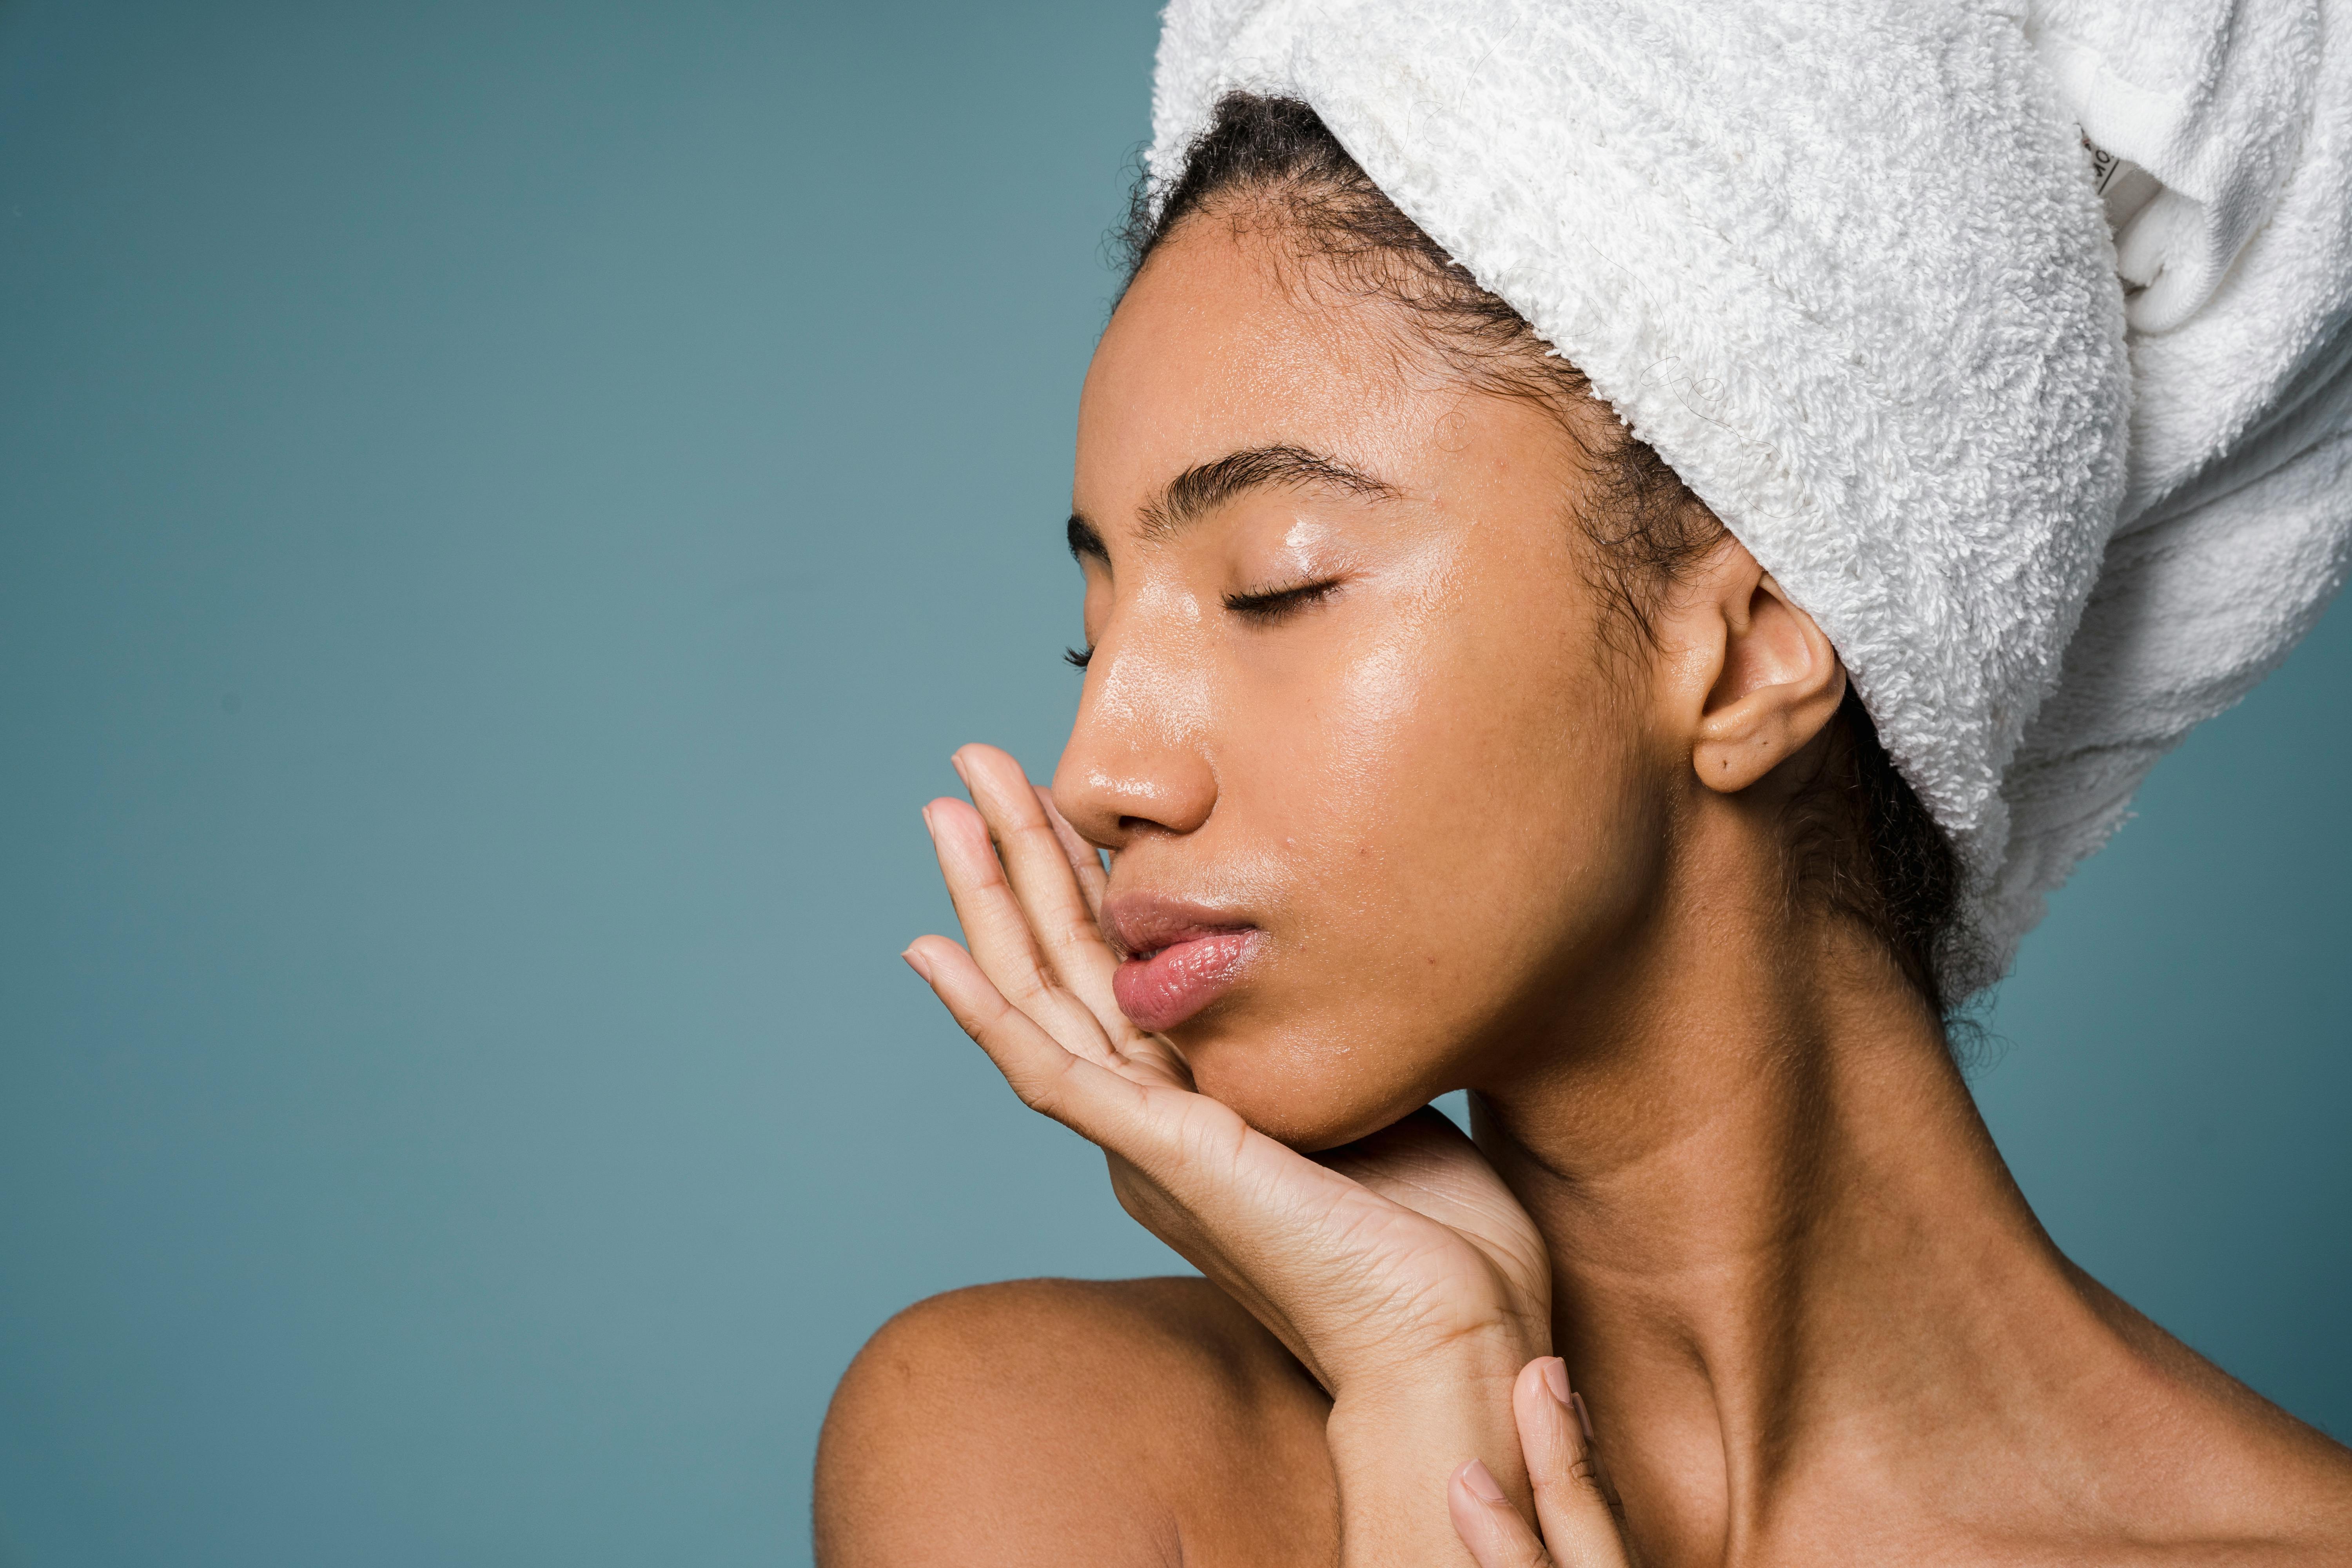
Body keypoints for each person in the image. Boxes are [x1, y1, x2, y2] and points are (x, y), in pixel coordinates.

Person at [816, 3, 2352, 1561]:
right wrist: (1431, 1387)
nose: (1099, 773)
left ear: (1752, 653)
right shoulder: (1046, 1457)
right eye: (1095, 636)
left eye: (1275, 587)